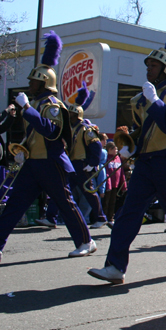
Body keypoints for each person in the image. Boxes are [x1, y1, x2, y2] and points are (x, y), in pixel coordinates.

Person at [87, 23, 166, 284]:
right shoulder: (142, 98)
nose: (148, 69)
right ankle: (115, 266)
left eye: (153, 66)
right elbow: (141, 130)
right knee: (127, 214)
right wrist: (127, 145)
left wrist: (156, 102)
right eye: (147, 66)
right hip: (146, 162)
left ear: (165, 70)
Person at [0, 32, 94, 263]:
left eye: (34, 80)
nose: (30, 84)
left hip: (51, 163)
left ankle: (86, 241)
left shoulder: (53, 105)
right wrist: (22, 151)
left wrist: (28, 110)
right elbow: (34, 135)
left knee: (66, 204)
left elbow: (52, 131)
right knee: (15, 205)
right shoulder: (36, 104)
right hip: (34, 163)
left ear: (45, 82)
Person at [67, 82, 108, 229]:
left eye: (71, 113)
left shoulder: (86, 128)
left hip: (82, 164)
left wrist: (92, 163)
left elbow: (96, 145)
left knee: (89, 192)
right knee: (62, 190)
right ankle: (52, 217)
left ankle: (100, 217)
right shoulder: (71, 128)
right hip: (71, 163)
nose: (69, 115)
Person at [102, 141, 124, 226]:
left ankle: (110, 217)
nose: (117, 150)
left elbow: (121, 172)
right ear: (110, 149)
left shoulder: (118, 158)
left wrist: (123, 184)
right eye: (115, 148)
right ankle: (104, 217)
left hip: (116, 184)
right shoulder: (107, 158)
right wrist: (108, 183)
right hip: (108, 184)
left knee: (113, 202)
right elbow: (106, 172)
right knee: (106, 202)